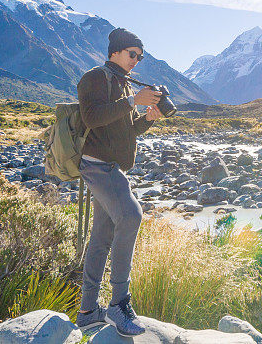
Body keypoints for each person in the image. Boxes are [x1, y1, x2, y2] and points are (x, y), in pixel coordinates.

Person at [75, 27, 164, 337]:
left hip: (113, 168)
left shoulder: (124, 83)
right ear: (115, 51)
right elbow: (92, 118)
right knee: (131, 215)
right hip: (99, 168)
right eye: (132, 54)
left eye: (140, 56)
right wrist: (132, 102)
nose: (136, 60)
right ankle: (118, 304)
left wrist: (146, 120)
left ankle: (87, 311)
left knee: (102, 234)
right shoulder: (95, 78)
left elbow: (125, 131)